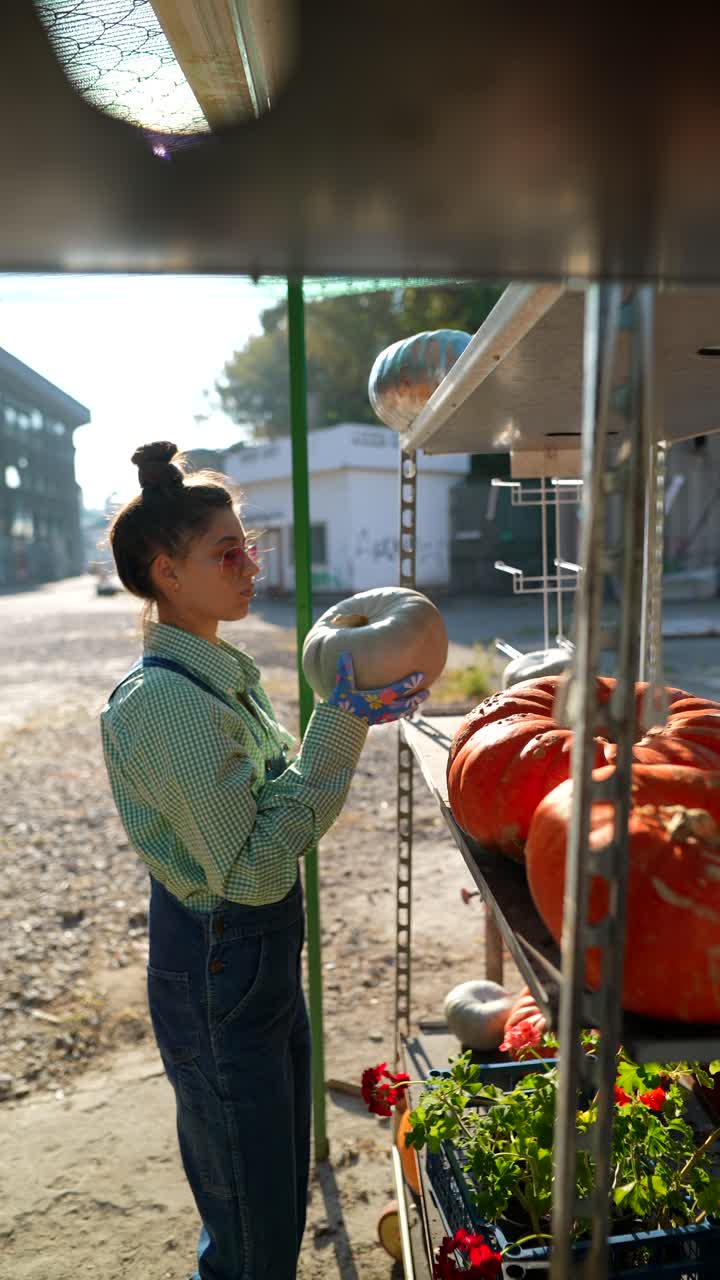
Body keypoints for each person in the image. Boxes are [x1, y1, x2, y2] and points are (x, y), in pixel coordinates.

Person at [100, 441, 428, 1280]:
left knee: (272, 1202)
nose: (252, 564)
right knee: (251, 1233)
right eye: (227, 552)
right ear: (165, 573)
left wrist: (342, 718)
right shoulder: (166, 702)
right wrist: (341, 721)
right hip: (222, 958)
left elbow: (270, 794)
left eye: (250, 545)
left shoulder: (217, 673)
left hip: (253, 960)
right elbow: (249, 869)